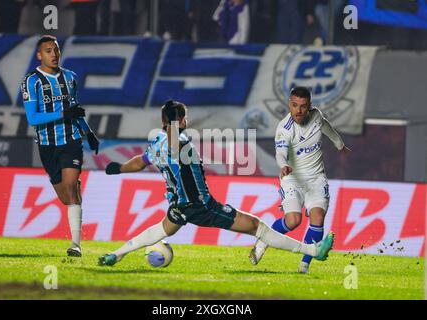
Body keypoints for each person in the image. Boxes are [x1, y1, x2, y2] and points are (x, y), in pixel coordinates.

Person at [98, 99, 334, 267]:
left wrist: (118, 168)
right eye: (184, 118)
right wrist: (176, 132)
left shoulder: (157, 142)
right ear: (181, 120)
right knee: (257, 227)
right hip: (201, 206)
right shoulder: (178, 141)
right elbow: (173, 145)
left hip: (178, 206)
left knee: (161, 229)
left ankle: (116, 255)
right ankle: (313, 250)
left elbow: (140, 162)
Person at [249, 87, 351, 274]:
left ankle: (304, 266)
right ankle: (263, 243)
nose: (298, 111)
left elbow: (328, 128)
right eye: (295, 105)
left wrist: (340, 145)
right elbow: (280, 152)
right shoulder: (284, 128)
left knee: (318, 217)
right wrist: (283, 165)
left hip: (316, 178)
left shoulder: (317, 116)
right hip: (292, 179)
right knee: (293, 220)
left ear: (309, 106)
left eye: (303, 106)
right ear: (289, 103)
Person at [20, 35, 100, 257]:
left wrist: (89, 133)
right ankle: (72, 186)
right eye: (48, 51)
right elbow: (33, 118)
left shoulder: (70, 77)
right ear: (39, 55)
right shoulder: (31, 81)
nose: (53, 54)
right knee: (66, 197)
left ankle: (76, 245)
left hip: (71, 141)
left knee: (71, 188)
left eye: (56, 50)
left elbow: (75, 110)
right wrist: (64, 113)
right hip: (47, 145)